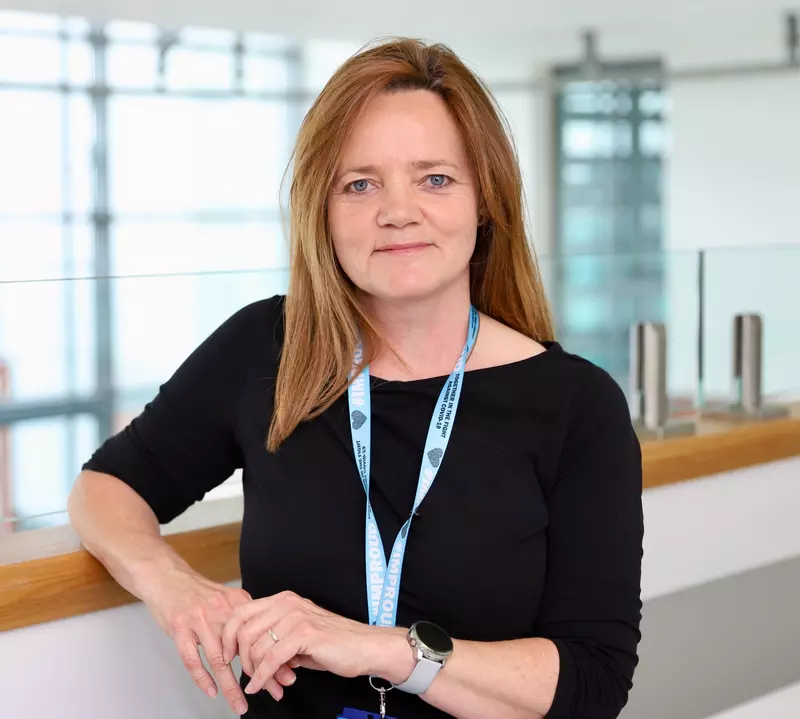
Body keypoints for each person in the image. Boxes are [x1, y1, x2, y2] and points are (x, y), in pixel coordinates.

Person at [68, 37, 643, 719]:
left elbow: (591, 684)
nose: (397, 211)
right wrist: (173, 585)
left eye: (435, 178)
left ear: (484, 201)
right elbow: (106, 487)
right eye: (360, 184)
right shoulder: (269, 348)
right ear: (325, 210)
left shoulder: (576, 404)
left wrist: (385, 649)